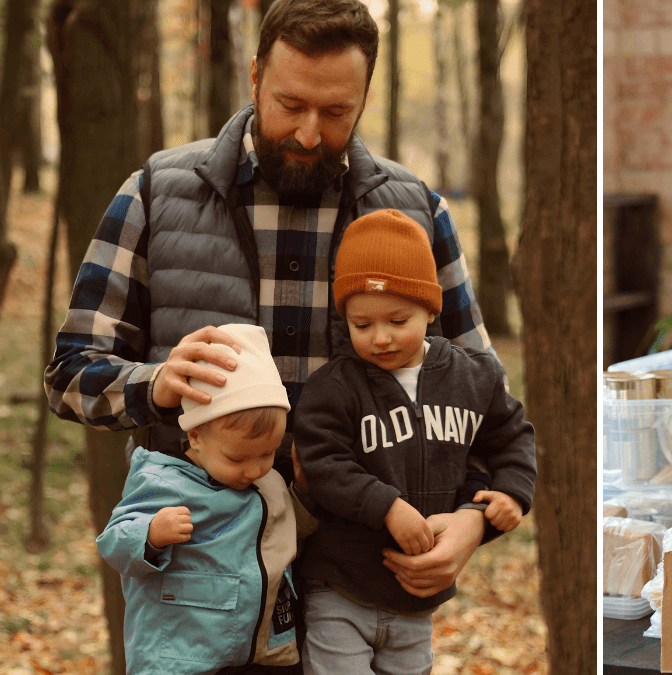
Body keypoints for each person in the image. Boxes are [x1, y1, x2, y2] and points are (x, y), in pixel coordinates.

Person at [44, 0, 492, 625]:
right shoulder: (154, 192)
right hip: (201, 592)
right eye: (290, 105)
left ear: (364, 97)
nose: (310, 133)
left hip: (363, 587)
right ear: (255, 77)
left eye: (336, 112)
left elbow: (483, 398)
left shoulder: (414, 213)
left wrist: (474, 520)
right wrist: (155, 384)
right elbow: (69, 377)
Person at [293, 209, 536, 673]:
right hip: (340, 585)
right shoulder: (334, 386)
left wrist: (510, 493)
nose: (380, 338)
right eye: (361, 326)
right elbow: (322, 462)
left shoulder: (473, 376)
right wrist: (387, 505)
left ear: (429, 308)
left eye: (397, 320)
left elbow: (512, 437)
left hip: (417, 594)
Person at [96, 324, 319, 674]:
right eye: (237, 459)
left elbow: (290, 530)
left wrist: (302, 494)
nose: (254, 470)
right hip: (182, 655)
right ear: (196, 435)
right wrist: (151, 533)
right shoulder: (162, 480)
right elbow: (113, 542)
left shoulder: (269, 482)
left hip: (259, 650)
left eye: (267, 454)